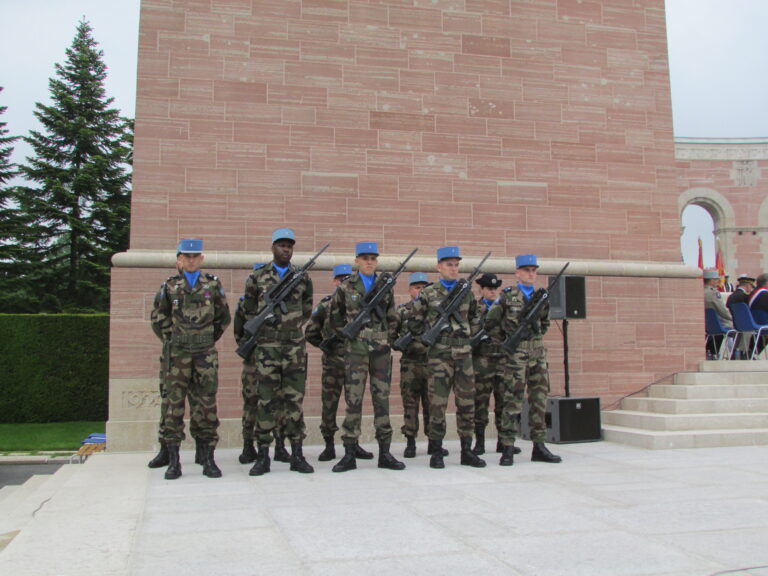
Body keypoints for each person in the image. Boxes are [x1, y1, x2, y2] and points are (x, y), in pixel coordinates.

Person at [150, 239, 231, 479]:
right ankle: (173, 461)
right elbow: (158, 319)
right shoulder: (170, 286)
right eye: (187, 256)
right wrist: (176, 339)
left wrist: (204, 339)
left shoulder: (213, 285)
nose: (192, 260)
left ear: (202, 259)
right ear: (179, 260)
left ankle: (207, 459)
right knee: (173, 406)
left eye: (196, 256)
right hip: (178, 355)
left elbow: (223, 318)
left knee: (205, 406)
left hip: (205, 353)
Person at [241, 228, 315, 476]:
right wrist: (266, 323)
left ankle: (297, 454)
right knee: (266, 401)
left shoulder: (302, 278)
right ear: (273, 247)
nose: (286, 249)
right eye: (282, 245)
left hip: (294, 347)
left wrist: (289, 327)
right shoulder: (258, 277)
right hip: (267, 347)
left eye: (289, 246)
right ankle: (263, 455)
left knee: (294, 401)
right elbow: (249, 309)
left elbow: (306, 309)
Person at [327, 242, 405, 473]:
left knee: (382, 400)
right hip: (356, 350)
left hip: (380, 351)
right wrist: (350, 335)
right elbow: (335, 318)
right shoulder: (346, 287)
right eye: (365, 258)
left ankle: (385, 452)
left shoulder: (385, 287)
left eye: (373, 258)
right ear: (357, 261)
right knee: (353, 400)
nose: (369, 261)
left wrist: (386, 339)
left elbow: (392, 318)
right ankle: (350, 452)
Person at [405, 246, 486, 469]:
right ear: (438, 267)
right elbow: (413, 323)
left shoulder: (467, 292)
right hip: (439, 356)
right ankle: (437, 450)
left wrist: (468, 339)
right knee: (437, 404)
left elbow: (477, 321)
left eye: (456, 265)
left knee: (467, 403)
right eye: (449, 264)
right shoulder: (428, 293)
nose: (453, 268)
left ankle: (466, 450)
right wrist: (431, 337)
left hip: (463, 355)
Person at [485, 254, 561, 465]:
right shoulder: (507, 296)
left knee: (539, 400)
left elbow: (544, 324)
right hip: (515, 355)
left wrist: (533, 333)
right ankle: (507, 446)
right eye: (526, 270)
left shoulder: (541, 297)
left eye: (534, 270)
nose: (531, 274)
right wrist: (507, 343)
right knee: (512, 399)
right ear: (517, 273)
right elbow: (491, 324)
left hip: (537, 354)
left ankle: (539, 445)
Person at [305, 264, 374, 462]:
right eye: (340, 279)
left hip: (356, 361)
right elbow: (310, 332)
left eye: (347, 278)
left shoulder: (360, 304)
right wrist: (325, 346)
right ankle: (328, 445)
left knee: (355, 403)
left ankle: (354, 443)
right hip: (333, 363)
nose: (343, 281)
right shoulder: (325, 305)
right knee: (330, 404)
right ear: (334, 281)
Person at [396, 272, 442, 459]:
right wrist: (407, 344)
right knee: (410, 404)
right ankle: (410, 443)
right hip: (410, 364)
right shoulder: (402, 311)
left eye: (424, 287)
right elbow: (392, 335)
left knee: (433, 405)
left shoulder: (435, 312)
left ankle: (433, 442)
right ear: (409, 290)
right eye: (416, 287)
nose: (420, 290)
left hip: (431, 363)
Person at [472, 272, 517, 456]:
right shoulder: (475, 308)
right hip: (482, 362)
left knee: (503, 404)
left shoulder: (504, 307)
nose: (492, 292)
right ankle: (480, 442)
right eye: (489, 289)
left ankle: (503, 442)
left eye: (495, 289)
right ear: (481, 290)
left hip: (502, 362)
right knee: (480, 404)